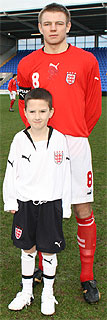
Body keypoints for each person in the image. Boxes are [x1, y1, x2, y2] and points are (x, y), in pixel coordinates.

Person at [17, 3, 102, 304]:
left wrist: (75, 135)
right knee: (42, 208)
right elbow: (28, 107)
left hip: (76, 144)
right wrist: (42, 138)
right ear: (40, 28)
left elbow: (93, 108)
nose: (53, 28)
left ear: (68, 26)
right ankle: (40, 269)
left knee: (82, 209)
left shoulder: (87, 60)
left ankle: (86, 276)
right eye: (47, 23)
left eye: (59, 23)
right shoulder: (27, 64)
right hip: (43, 144)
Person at [3, 88, 71, 315]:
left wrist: (66, 205)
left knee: (49, 252)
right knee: (28, 249)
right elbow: (11, 172)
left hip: (50, 204)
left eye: (43, 110)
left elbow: (66, 174)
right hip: (25, 205)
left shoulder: (59, 139)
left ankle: (48, 293)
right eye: (32, 111)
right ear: (25, 112)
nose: (38, 116)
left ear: (51, 111)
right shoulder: (19, 140)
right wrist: (10, 200)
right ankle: (26, 291)